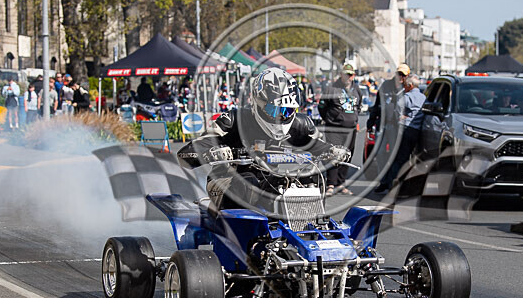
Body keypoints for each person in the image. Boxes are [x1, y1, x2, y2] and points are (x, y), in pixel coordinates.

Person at [177, 68, 348, 212]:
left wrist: (332, 151)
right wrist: (212, 153)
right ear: (257, 102)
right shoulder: (234, 120)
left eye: (287, 111)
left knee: (312, 178)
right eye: (275, 110)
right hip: (228, 180)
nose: (281, 116)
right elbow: (185, 155)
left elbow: (316, 145)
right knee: (247, 182)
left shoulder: (301, 124)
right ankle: (236, 241)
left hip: (275, 179)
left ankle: (311, 229)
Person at [374, 73, 424, 194]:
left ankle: (393, 185)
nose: (405, 87)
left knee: (398, 159)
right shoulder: (423, 98)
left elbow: (397, 114)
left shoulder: (405, 97)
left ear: (410, 86)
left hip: (404, 130)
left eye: (406, 85)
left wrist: (403, 118)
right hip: (417, 132)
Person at [318, 63, 363, 195]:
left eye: (351, 74)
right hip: (334, 128)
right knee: (333, 155)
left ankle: (341, 184)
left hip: (351, 129)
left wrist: (354, 119)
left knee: (347, 156)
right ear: (341, 75)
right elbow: (322, 106)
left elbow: (358, 106)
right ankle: (331, 184)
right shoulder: (331, 88)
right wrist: (329, 118)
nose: (348, 77)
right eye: (346, 74)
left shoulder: (356, 89)